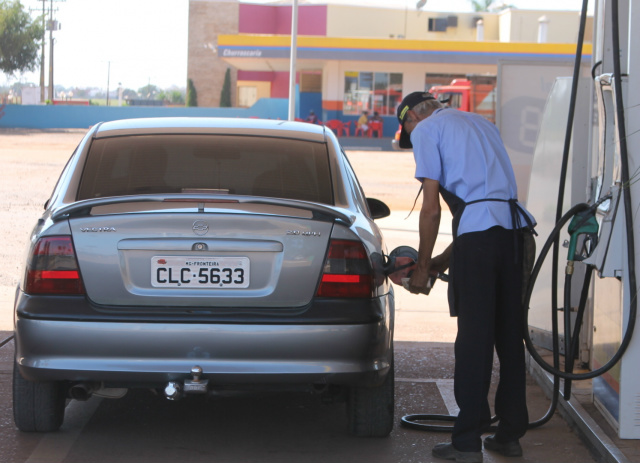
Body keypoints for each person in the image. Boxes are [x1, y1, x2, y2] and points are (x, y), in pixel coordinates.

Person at [396, 91, 536, 463]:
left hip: (478, 240)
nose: (412, 140)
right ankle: (509, 434)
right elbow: (484, 210)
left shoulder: (428, 131)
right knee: (509, 336)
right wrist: (440, 262)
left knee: (474, 339)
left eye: (407, 132)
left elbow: (431, 211)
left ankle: (467, 442)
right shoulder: (482, 124)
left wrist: (423, 268)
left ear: (413, 119)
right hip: (513, 236)